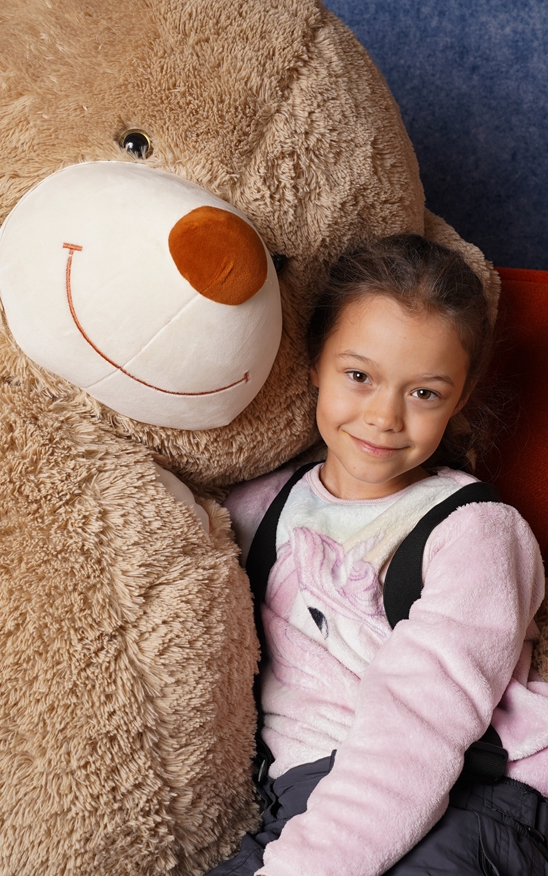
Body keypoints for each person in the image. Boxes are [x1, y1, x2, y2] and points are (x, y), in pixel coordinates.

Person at [206, 234, 548, 876]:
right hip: (303, 807)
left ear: (462, 396)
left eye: (425, 393)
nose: (385, 416)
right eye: (359, 376)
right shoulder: (258, 507)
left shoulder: (476, 532)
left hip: (466, 798)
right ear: (316, 363)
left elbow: (419, 726)